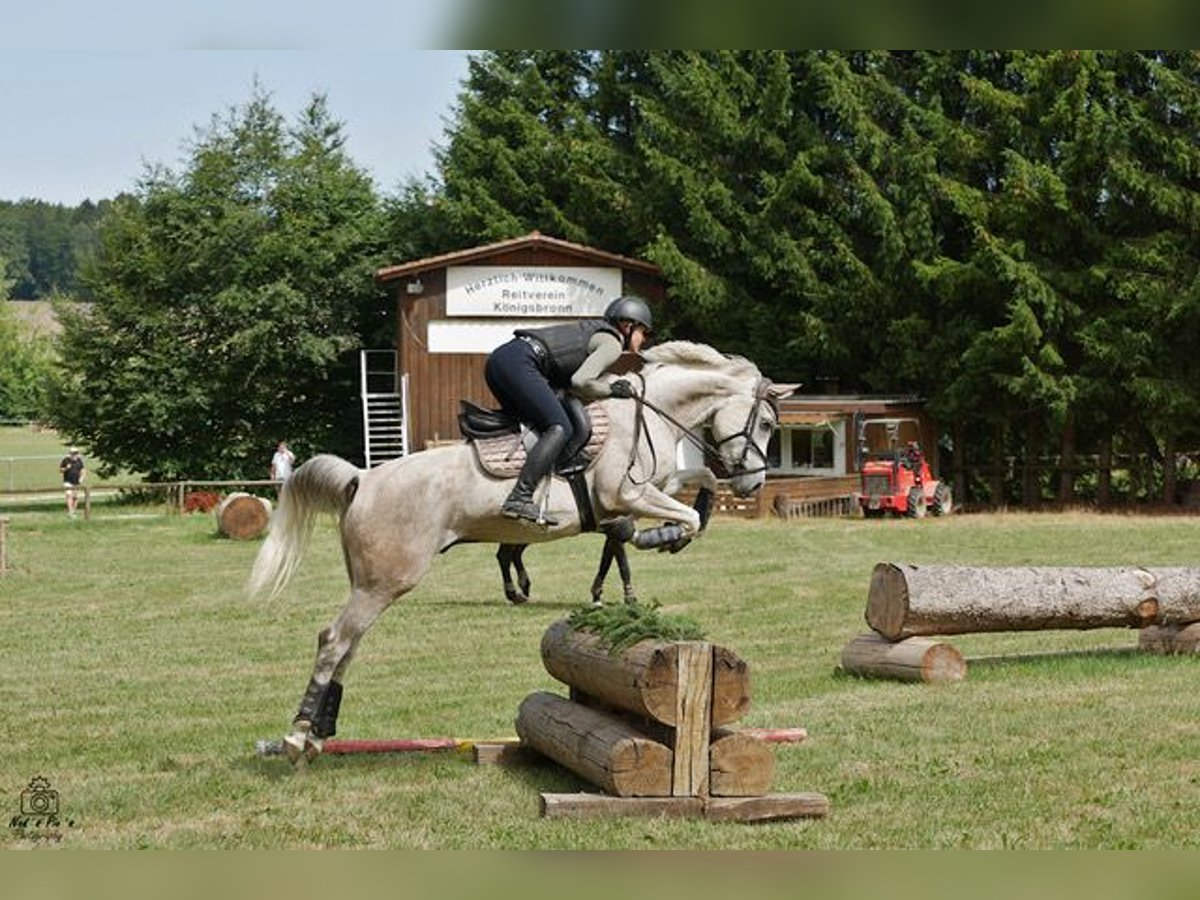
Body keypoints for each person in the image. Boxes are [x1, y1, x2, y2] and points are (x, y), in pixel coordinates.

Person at [484, 295, 653, 525]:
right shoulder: (612, 343)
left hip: (502, 359)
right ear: (627, 325)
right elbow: (580, 382)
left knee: (542, 425)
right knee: (560, 426)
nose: (644, 339)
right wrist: (612, 390)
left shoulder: (596, 332)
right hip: (520, 363)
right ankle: (520, 497)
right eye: (644, 332)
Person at [59, 446, 85, 518]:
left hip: (76, 481)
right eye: (73, 453)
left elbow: (82, 470)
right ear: (70, 453)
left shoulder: (79, 460)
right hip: (68, 481)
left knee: (76, 497)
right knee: (69, 495)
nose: (75, 455)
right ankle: (70, 512)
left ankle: (73, 511)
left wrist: (81, 478)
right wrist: (66, 468)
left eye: (76, 453)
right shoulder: (65, 460)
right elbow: (60, 470)